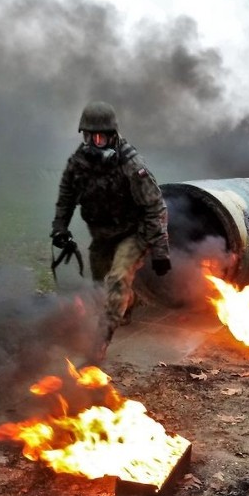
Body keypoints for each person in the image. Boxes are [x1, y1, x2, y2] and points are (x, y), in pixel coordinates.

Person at [51, 101, 171, 363]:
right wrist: (60, 227)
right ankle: (126, 305)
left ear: (112, 135)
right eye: (89, 136)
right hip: (103, 235)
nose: (95, 142)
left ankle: (99, 344)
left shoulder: (131, 164)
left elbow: (155, 207)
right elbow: (67, 195)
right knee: (100, 288)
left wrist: (160, 249)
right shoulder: (79, 162)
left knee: (117, 280)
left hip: (133, 232)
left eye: (101, 136)